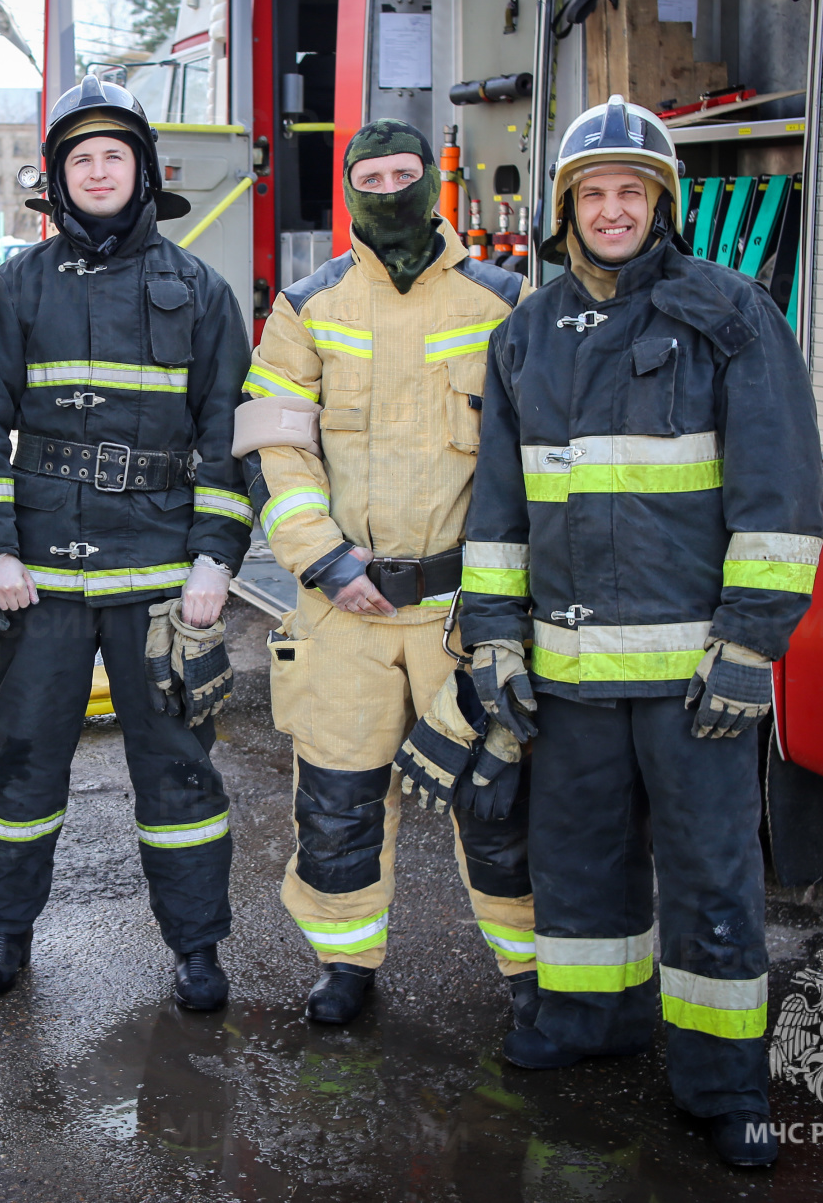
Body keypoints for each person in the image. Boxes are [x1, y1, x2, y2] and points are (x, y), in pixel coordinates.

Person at [460, 96, 822, 1167]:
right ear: (564, 207)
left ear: (658, 203)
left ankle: (722, 1082)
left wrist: (751, 645)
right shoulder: (523, 329)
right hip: (567, 674)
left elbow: (778, 491)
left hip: (691, 676)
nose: (611, 209)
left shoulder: (728, 314)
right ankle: (589, 1021)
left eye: (631, 192)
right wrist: (489, 634)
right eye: (592, 192)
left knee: (709, 875)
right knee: (577, 861)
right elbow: (500, 505)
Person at [0, 75, 253, 1009]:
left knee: (176, 764)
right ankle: (5, 935)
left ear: (144, 171)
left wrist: (216, 558)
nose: (96, 170)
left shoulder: (200, 290)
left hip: (163, 576)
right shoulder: (14, 286)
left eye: (112, 155)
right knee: (18, 756)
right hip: (37, 577)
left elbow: (229, 432)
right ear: (55, 176)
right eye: (79, 157)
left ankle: (197, 947)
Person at [240, 119, 538, 1026]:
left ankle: (529, 973)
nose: (391, 190)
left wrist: (506, 596)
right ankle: (343, 964)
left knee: (499, 803)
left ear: (434, 185)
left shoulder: (504, 300)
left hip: (465, 612)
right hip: (346, 615)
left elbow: (535, 460)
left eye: (406, 174)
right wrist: (326, 561)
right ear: (349, 190)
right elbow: (274, 445)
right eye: (371, 177)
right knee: (336, 803)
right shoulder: (310, 303)